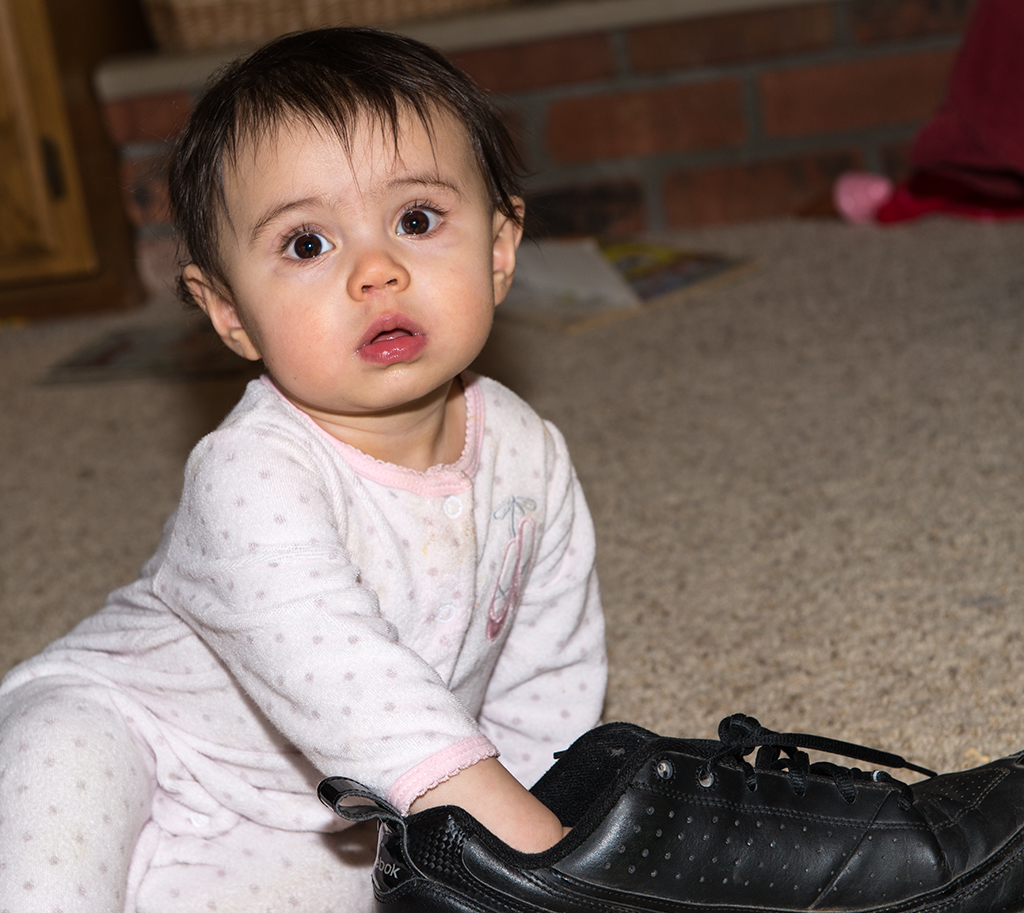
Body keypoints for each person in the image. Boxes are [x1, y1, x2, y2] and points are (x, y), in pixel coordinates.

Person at [0, 27, 606, 912]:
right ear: (230, 313)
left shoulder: (529, 453)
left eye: (417, 219)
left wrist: (542, 833)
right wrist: (554, 868)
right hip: (143, 733)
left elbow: (548, 678)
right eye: (307, 244)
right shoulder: (249, 475)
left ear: (501, 247)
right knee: (59, 769)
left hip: (331, 809)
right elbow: (360, 692)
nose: (378, 271)